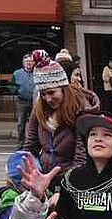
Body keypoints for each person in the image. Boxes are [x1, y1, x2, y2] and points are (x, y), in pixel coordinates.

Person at [24, 50, 96, 184]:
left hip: (71, 177)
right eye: (43, 94)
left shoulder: (80, 109)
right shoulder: (39, 109)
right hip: (44, 176)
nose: (48, 99)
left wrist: (65, 186)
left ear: (63, 88)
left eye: (51, 92)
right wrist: (29, 168)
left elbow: (81, 156)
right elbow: (30, 146)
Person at [10, 53, 35, 147]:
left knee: (35, 123)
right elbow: (10, 85)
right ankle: (21, 143)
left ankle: (34, 143)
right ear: (23, 63)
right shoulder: (17, 73)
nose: (29, 63)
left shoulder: (37, 72)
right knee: (21, 124)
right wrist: (17, 91)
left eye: (31, 61)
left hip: (35, 101)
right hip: (21, 101)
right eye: (27, 61)